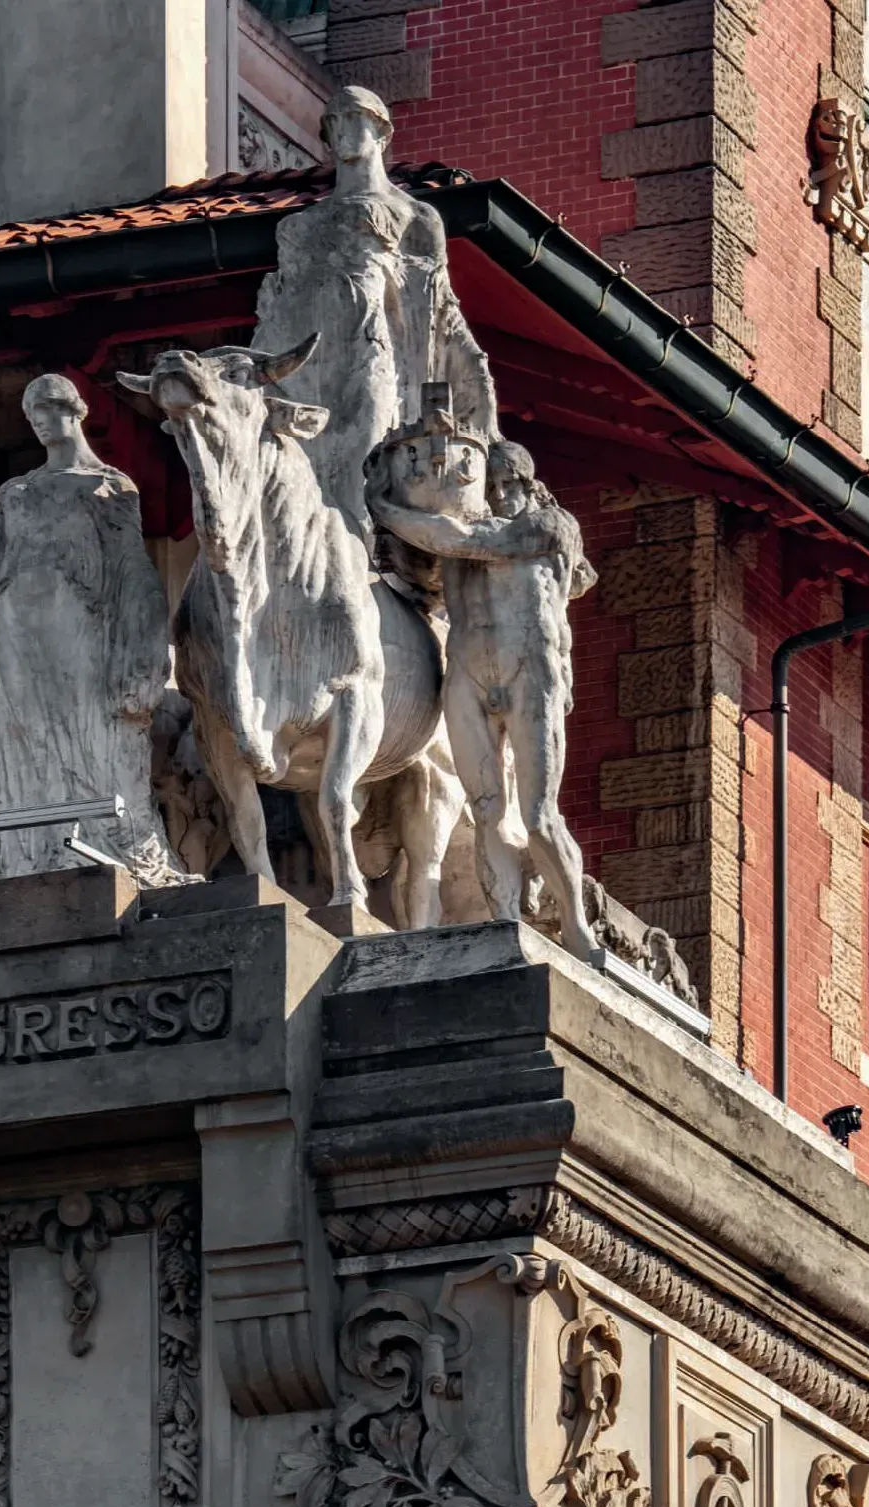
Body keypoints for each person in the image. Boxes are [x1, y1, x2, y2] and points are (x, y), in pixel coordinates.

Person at [0, 374, 182, 881]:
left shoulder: (109, 486)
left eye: (49, 409)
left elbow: (132, 568)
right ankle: (34, 853)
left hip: (79, 623)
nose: (41, 423)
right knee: (23, 738)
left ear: (77, 410)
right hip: (11, 626)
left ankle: (107, 843)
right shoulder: (14, 491)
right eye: (32, 415)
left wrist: (145, 641)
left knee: (91, 735)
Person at [368, 421, 599, 957]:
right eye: (490, 488)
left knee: (539, 816)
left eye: (507, 487)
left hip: (530, 671)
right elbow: (431, 556)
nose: (498, 497)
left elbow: (465, 539)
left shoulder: (550, 526)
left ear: (527, 485)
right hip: (468, 673)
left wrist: (384, 508)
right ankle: (502, 923)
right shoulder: (455, 540)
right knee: (488, 806)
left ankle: (576, 925)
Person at [250, 86, 496, 542]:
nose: (342, 131)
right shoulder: (298, 227)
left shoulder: (416, 217)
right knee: (299, 464)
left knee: (366, 454)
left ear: (382, 132)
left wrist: (473, 371)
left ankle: (368, 557)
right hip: (311, 365)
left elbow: (438, 307)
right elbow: (279, 309)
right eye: (333, 123)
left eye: (353, 118)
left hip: (376, 355)